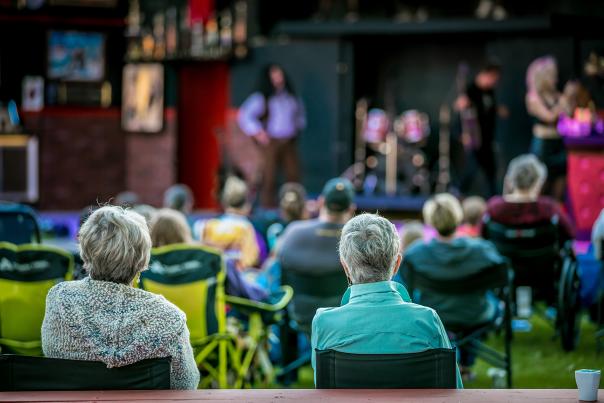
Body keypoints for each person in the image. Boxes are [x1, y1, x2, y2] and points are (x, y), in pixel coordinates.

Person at [41, 206, 200, 390]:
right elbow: (186, 385)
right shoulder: (169, 318)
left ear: (85, 251)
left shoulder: (59, 300)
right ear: (142, 260)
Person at [311, 213, 462, 388]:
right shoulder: (427, 320)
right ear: (397, 264)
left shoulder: (324, 323)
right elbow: (453, 389)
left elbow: (323, 388)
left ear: (345, 266)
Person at [401, 194, 504, 378]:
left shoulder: (416, 254)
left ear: (430, 220)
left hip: (433, 314)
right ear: (458, 217)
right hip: (476, 313)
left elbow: (405, 288)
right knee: (483, 303)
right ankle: (465, 365)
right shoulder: (482, 250)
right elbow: (503, 275)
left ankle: (455, 365)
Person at [276, 177, 355, 333]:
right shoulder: (356, 240)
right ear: (352, 208)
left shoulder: (293, 232)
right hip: (343, 319)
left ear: (320, 202)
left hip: (300, 316)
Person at [152, 208, 267, 302]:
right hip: (206, 328)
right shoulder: (208, 259)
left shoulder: (146, 266)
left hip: (162, 329)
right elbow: (246, 293)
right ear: (184, 232)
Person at [238, 64, 306, 207]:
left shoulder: (291, 97)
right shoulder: (262, 98)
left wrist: (297, 128)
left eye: (279, 75)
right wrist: (258, 132)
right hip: (271, 141)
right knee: (269, 176)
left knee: (293, 175)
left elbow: (300, 116)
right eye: (274, 76)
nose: (278, 79)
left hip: (289, 141)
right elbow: (244, 115)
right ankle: (268, 208)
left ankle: (294, 207)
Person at [483, 154, 574, 242]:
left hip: (502, 257)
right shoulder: (548, 208)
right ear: (539, 182)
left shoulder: (495, 207)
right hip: (542, 257)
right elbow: (570, 234)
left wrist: (505, 195)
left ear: (509, 180)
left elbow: (483, 236)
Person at [456, 61, 505, 197]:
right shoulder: (470, 91)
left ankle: (493, 198)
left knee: (491, 171)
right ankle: (457, 192)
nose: (494, 82)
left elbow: (487, 110)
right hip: (474, 137)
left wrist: (497, 111)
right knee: (471, 168)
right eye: (493, 78)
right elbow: (461, 116)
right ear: (486, 74)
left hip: (487, 138)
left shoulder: (489, 91)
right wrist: (461, 133)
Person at [195, 176, 260, 270]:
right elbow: (250, 260)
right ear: (247, 204)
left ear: (225, 202)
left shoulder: (208, 226)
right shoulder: (245, 228)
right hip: (234, 279)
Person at [525, 56, 566, 201]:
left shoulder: (556, 95)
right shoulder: (533, 97)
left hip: (559, 143)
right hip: (543, 145)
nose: (555, 78)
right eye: (552, 75)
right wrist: (564, 102)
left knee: (560, 183)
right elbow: (549, 117)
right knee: (540, 183)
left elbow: (569, 113)